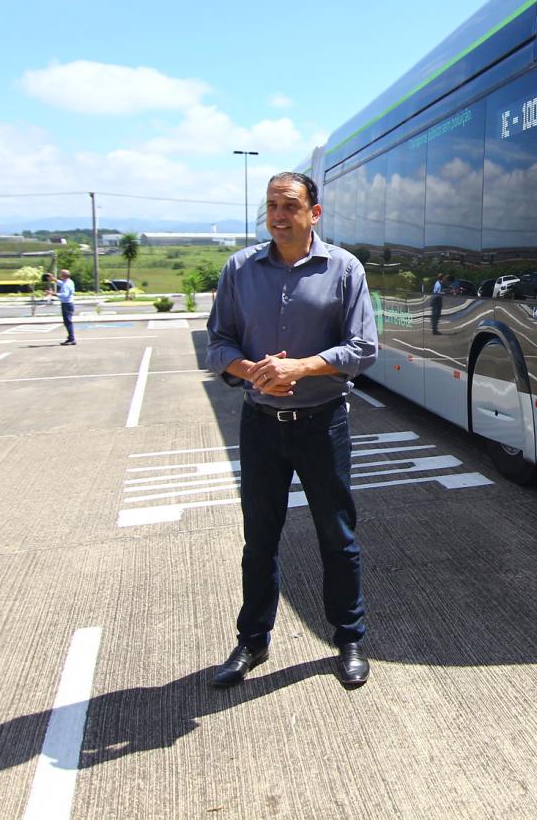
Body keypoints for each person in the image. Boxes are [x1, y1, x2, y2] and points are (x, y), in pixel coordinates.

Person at [205, 171, 378, 688]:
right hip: (260, 425)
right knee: (259, 539)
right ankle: (252, 641)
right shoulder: (239, 269)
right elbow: (218, 344)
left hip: (323, 425)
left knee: (337, 536)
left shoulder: (344, 269)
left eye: (289, 206)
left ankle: (349, 639)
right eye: (271, 206)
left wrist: (298, 368)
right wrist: (254, 372)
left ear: (314, 213)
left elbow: (363, 347)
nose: (278, 216)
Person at [51, 269, 76, 345]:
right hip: (69, 304)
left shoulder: (66, 284)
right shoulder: (69, 281)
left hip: (66, 304)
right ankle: (71, 338)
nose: (59, 275)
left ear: (63, 276)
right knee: (68, 322)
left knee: (68, 322)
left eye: (61, 274)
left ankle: (71, 339)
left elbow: (65, 294)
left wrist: (54, 294)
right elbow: (62, 284)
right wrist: (54, 279)